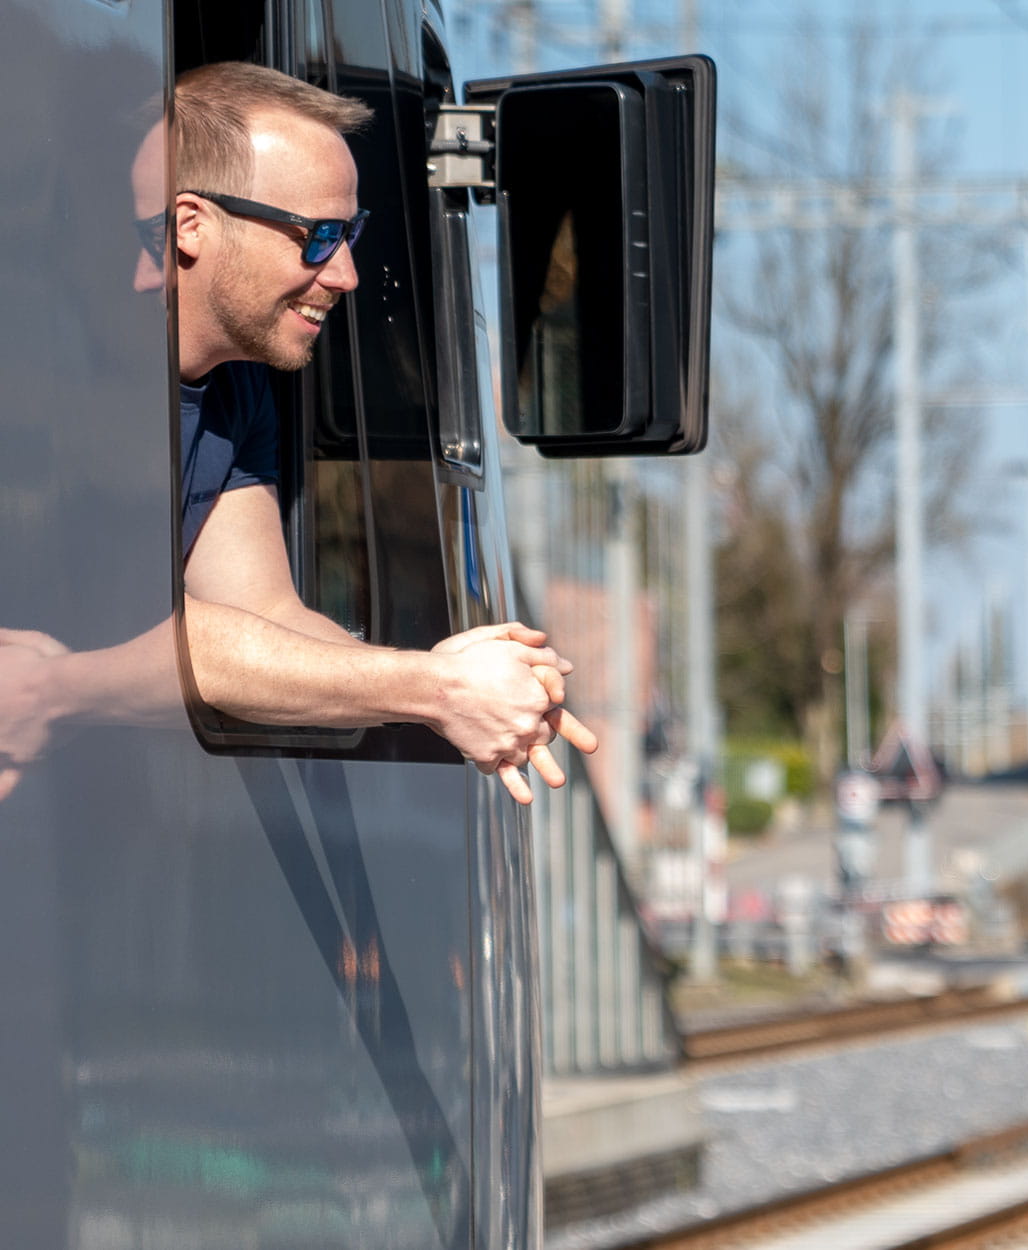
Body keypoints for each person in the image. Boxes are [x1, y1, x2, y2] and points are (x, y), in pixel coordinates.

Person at [0, 62, 592, 803]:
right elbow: (198, 641)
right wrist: (434, 688)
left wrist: (443, 674)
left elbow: (258, 617)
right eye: (316, 237)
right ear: (191, 226)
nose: (345, 273)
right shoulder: (39, 370)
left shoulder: (236, 386)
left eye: (351, 233)